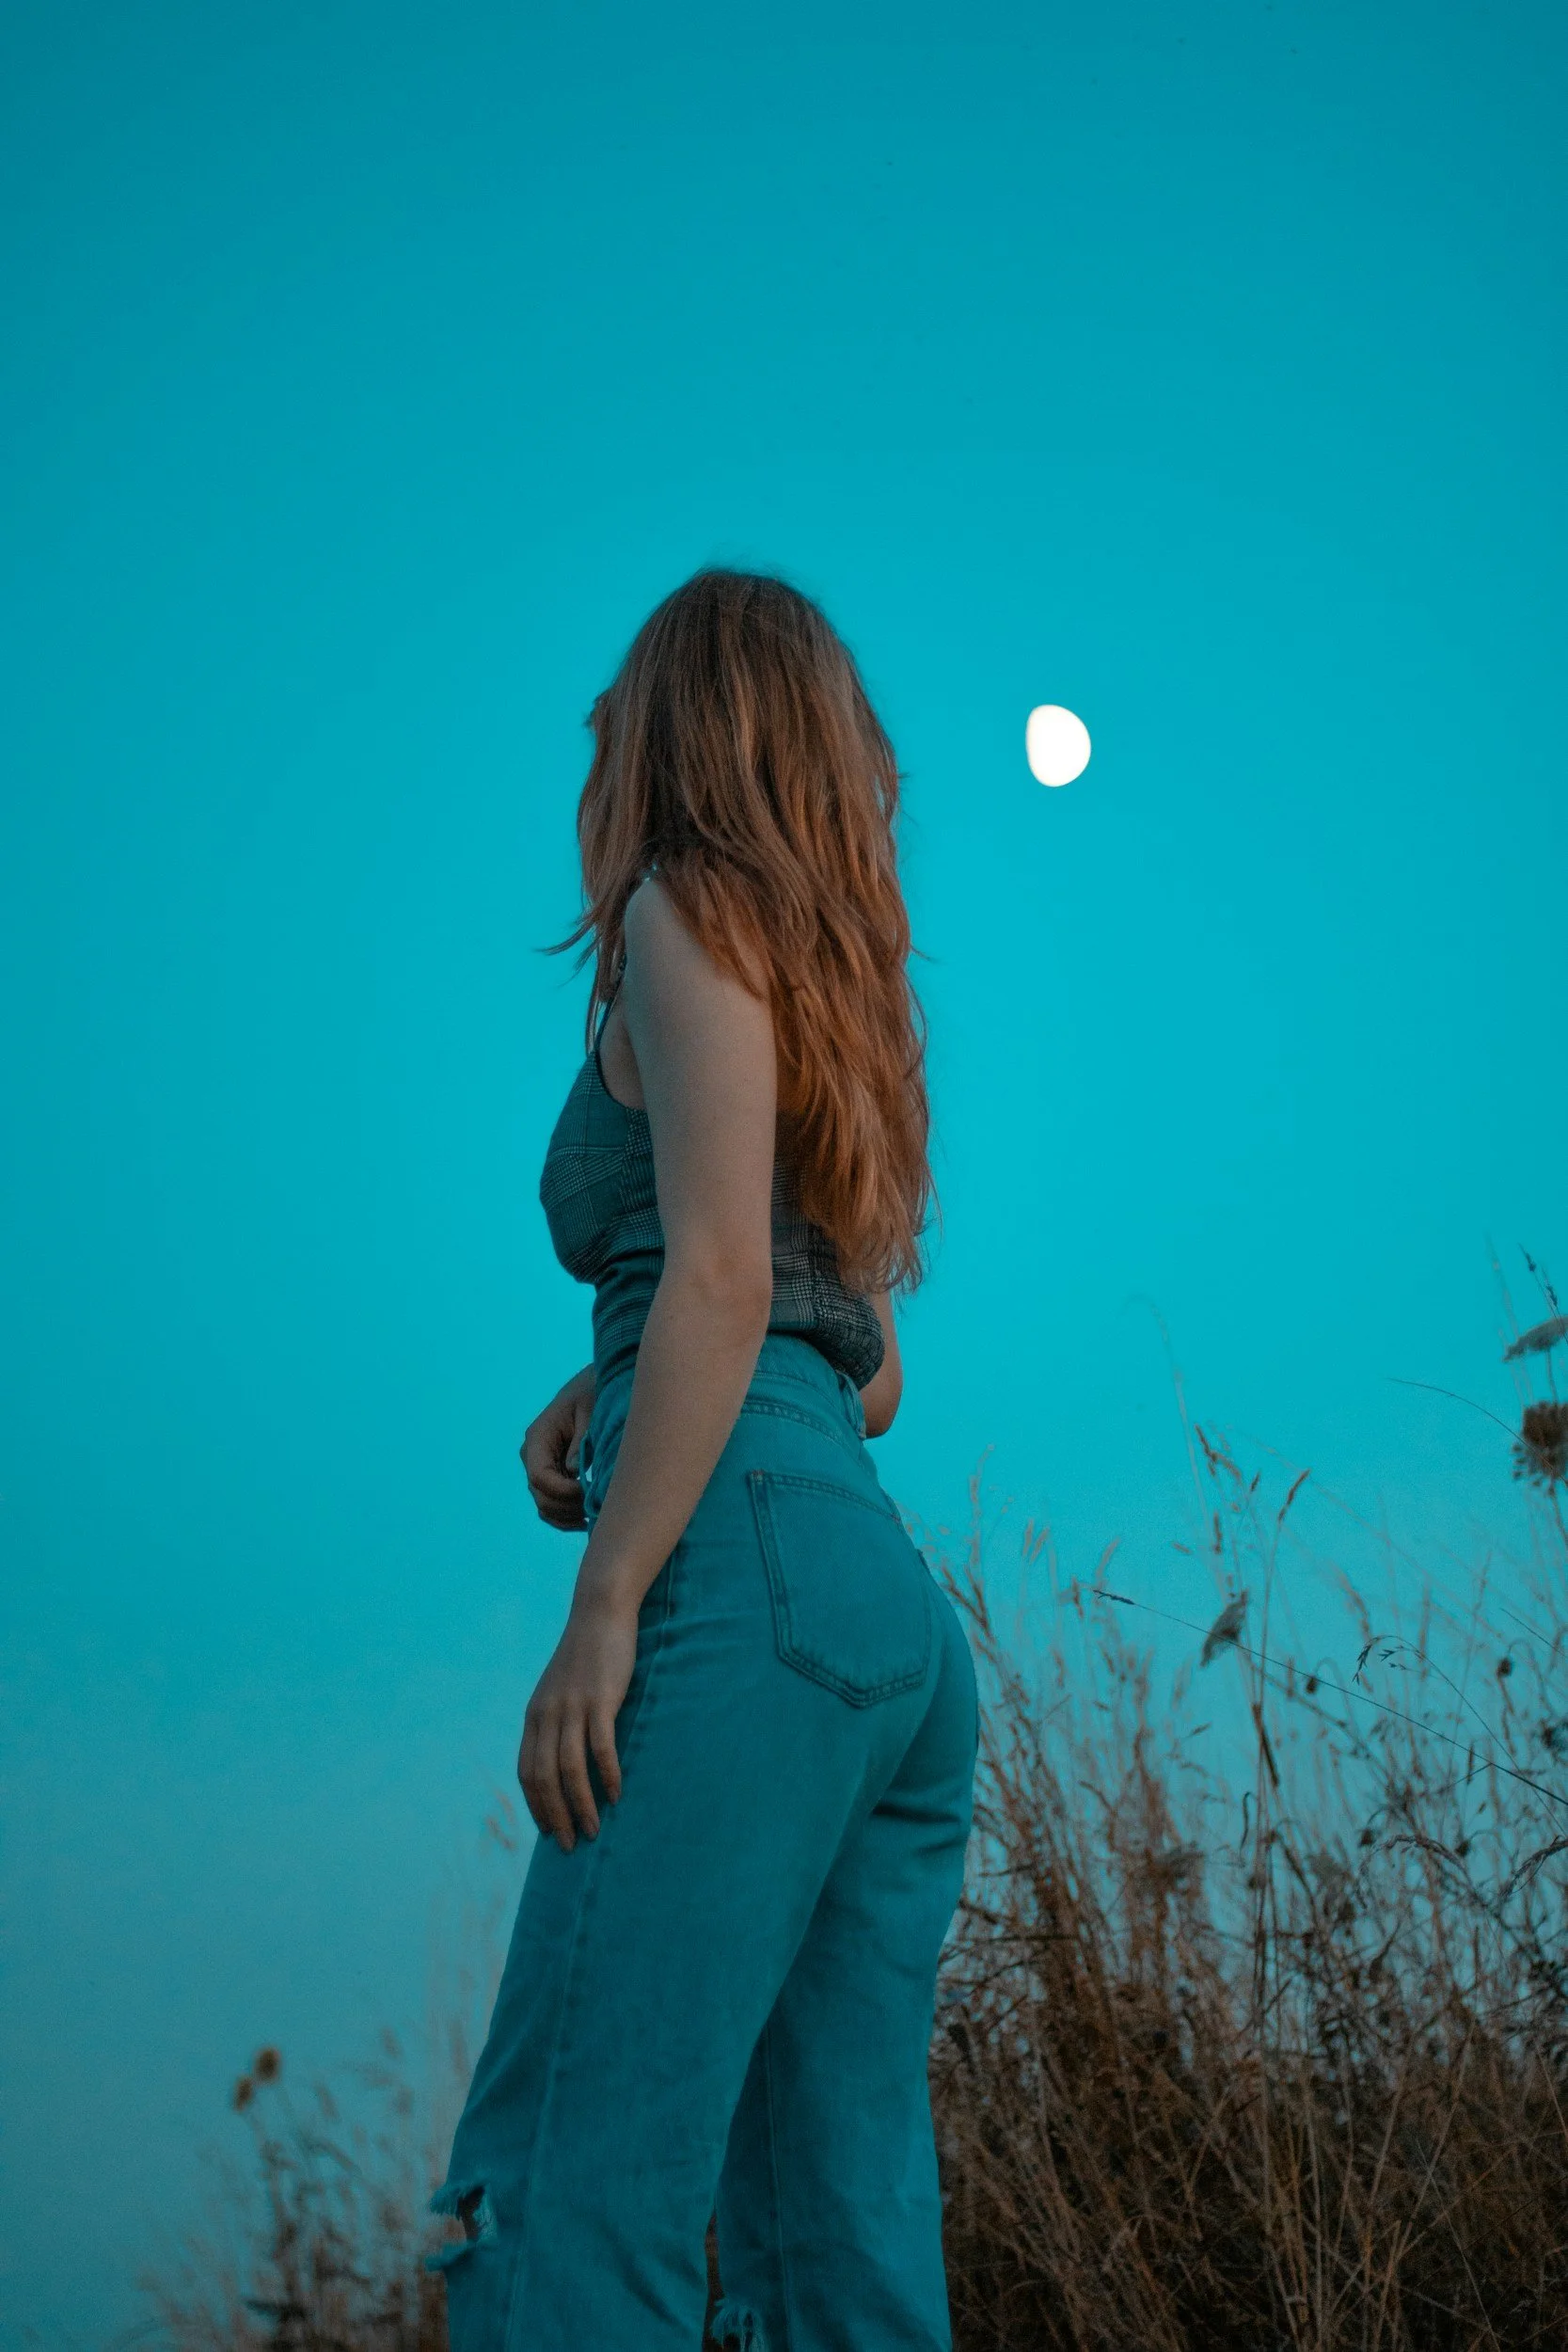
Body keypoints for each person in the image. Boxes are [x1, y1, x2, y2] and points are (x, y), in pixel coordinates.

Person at [430, 568, 978, 2350]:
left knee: (572, 2180)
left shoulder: (676, 917)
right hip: (884, 1616)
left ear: (668, 736)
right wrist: (614, 1375)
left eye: (612, 722)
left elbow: (727, 1285)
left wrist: (605, 1607)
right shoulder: (835, 996)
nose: (593, 751)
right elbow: (865, 1370)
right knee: (838, 2233)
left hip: (738, 1582)